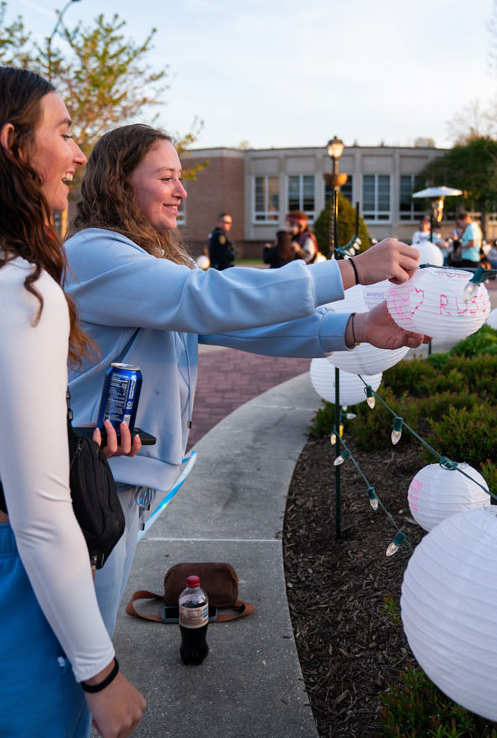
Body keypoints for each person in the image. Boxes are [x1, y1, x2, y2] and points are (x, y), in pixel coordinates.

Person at [64, 124, 427, 636]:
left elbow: (237, 322)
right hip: (87, 476)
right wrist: (347, 272)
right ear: (119, 183)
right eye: (165, 177)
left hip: (119, 476)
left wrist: (356, 327)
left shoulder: (147, 258)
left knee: (92, 635)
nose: (181, 191)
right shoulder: (95, 254)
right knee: (81, 642)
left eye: (181, 178)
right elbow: (206, 298)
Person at [0, 66, 145, 737]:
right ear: (12, 143)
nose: (78, 154)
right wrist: (100, 675)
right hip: (0, 575)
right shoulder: (15, 288)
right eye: (66, 132)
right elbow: (41, 515)